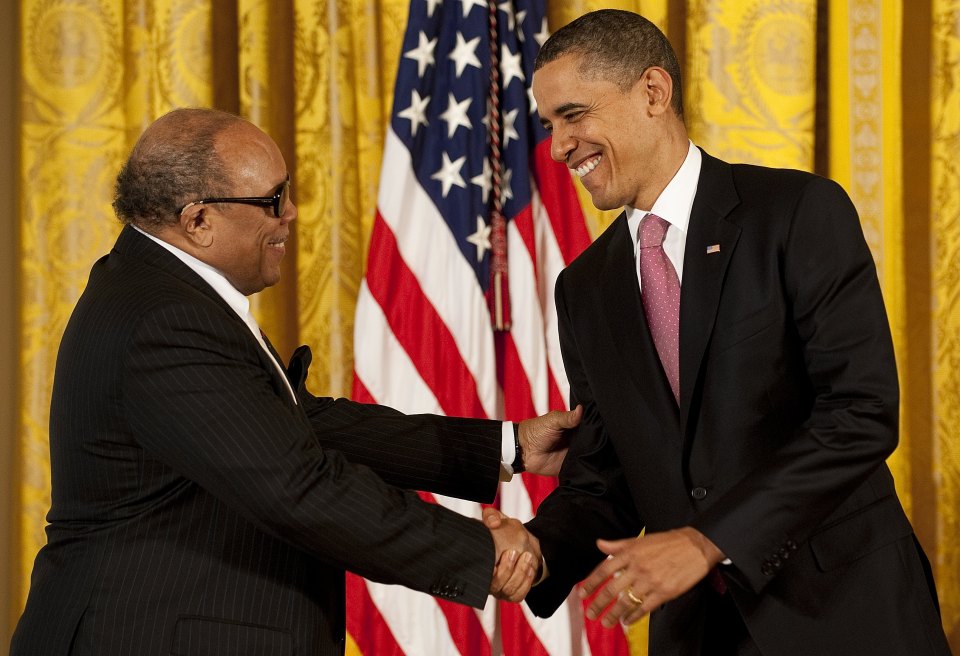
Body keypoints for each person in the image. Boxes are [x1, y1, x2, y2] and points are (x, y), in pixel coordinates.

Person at [10, 107, 578, 655]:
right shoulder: (165, 318)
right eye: (272, 200)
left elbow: (304, 425)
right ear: (197, 220)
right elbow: (297, 487)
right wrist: (484, 553)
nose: (293, 212)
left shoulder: (160, 290)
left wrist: (512, 445)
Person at [486, 9, 952, 656]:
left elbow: (860, 415)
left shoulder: (795, 214)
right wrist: (536, 549)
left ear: (653, 92)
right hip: (700, 636)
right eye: (550, 126)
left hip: (846, 615)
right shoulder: (586, 288)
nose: (560, 146)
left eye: (574, 115)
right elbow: (603, 478)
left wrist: (709, 542)